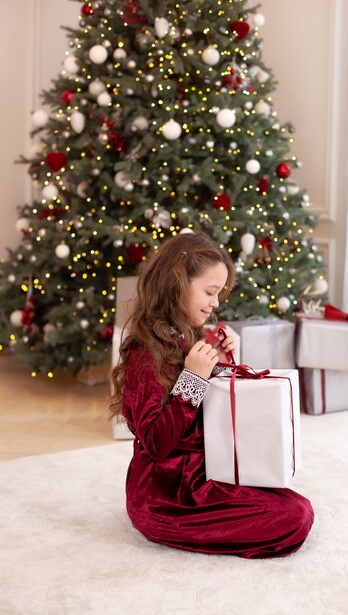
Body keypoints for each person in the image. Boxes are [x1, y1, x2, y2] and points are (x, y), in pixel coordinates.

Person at [110, 232, 314, 558]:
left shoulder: (187, 334)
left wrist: (217, 362)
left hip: (202, 470)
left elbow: (211, 409)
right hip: (165, 496)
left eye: (219, 293)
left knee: (296, 505)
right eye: (209, 292)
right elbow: (157, 442)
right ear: (176, 286)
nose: (216, 303)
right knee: (293, 518)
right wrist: (193, 377)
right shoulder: (145, 352)